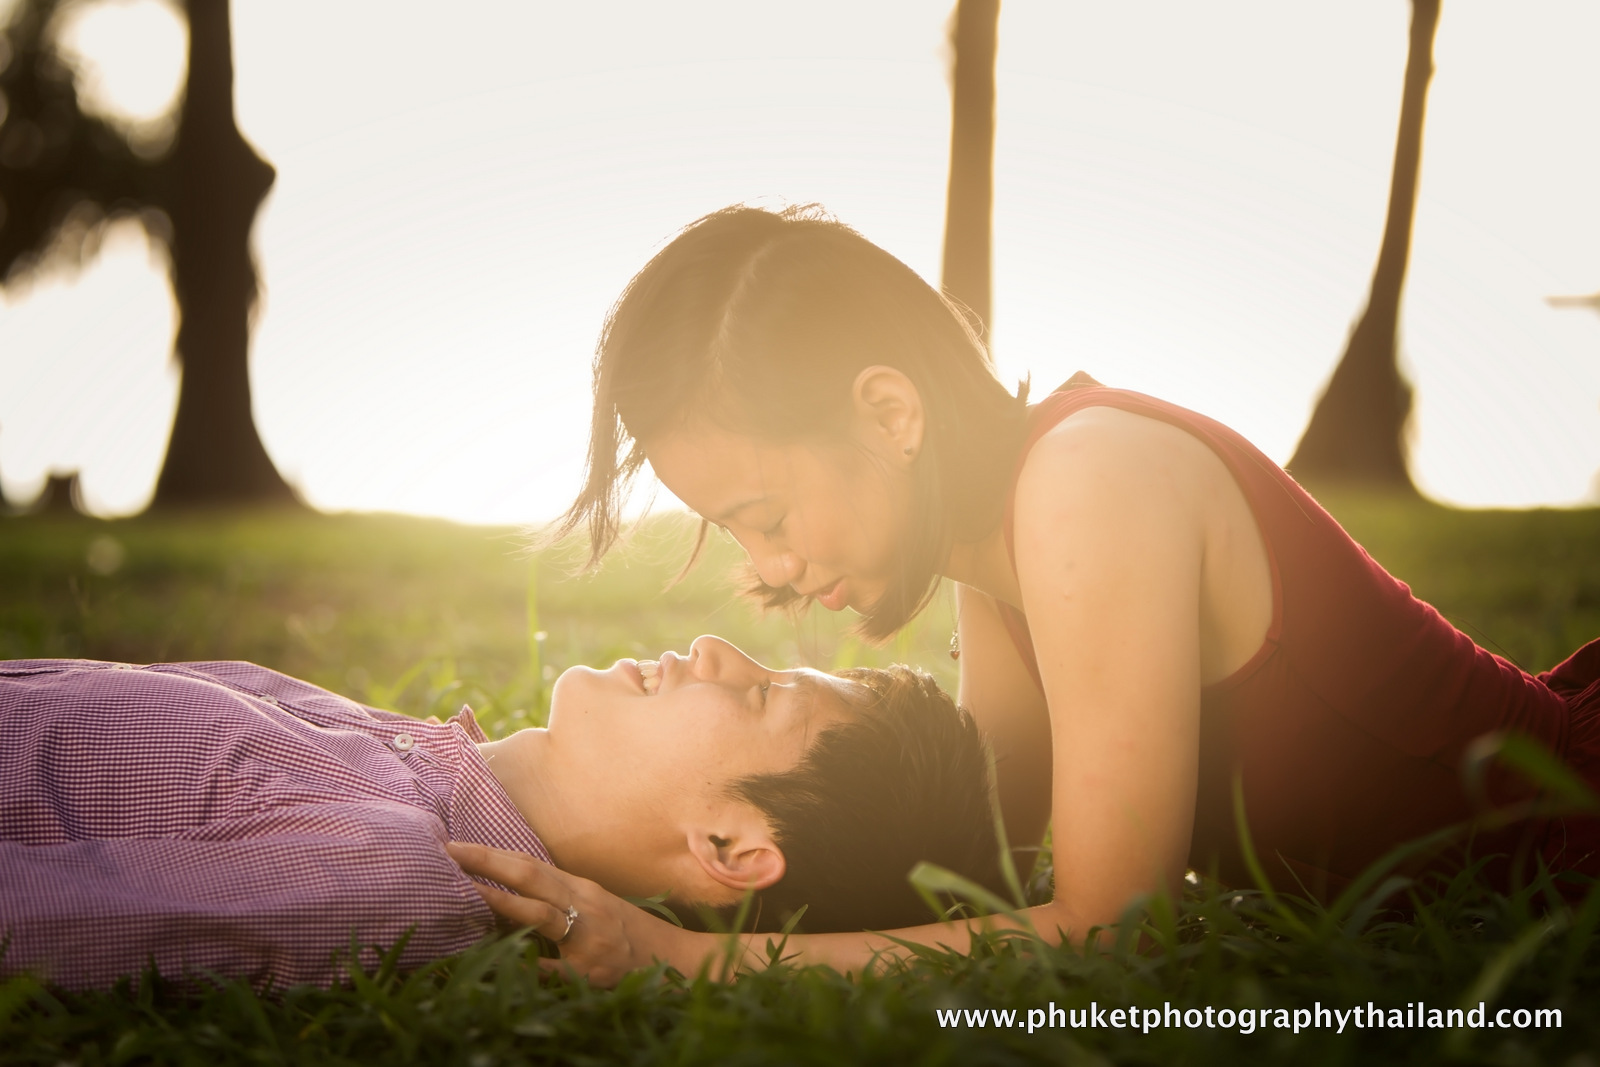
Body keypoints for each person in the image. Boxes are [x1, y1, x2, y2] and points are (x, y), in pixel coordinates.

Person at [454, 203, 1600, 984]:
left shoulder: (1092, 482)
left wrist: (685, 956)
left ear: (890, 413)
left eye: (770, 515)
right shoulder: (998, 547)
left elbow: (1110, 928)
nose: (774, 569)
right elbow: (972, 863)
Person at [0, 638, 1000, 991]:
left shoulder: (396, 867)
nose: (713, 648)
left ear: (730, 846)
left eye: (760, 692)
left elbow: (42, 921)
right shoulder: (399, 756)